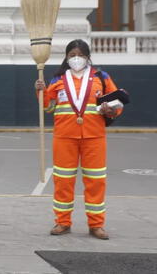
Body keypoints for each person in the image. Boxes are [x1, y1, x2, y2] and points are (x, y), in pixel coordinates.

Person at [35, 39, 122, 240]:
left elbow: (117, 104)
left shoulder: (101, 77)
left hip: (94, 137)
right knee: (63, 181)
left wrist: (112, 109)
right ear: (66, 57)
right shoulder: (57, 80)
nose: (76, 59)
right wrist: (40, 91)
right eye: (72, 55)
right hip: (65, 137)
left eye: (80, 55)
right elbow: (48, 108)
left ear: (87, 57)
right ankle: (63, 222)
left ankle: (96, 224)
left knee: (96, 181)